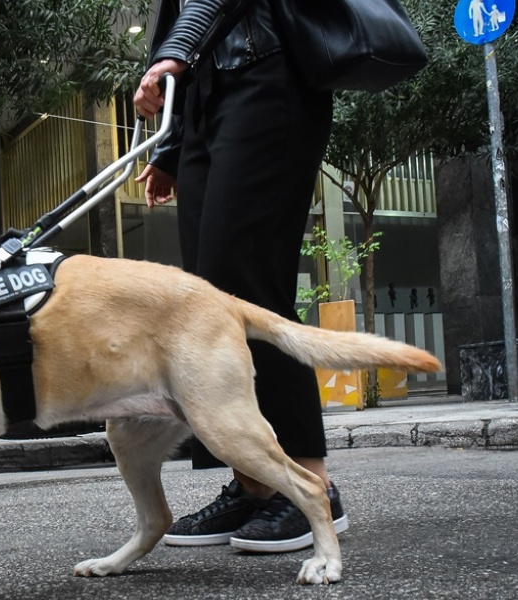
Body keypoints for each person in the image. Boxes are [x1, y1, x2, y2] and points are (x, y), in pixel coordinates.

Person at [133, 0, 347, 552]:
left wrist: (173, 54)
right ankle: (255, 483)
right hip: (208, 98)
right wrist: (175, 147)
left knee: (252, 288)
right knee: (209, 306)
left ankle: (311, 485)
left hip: (266, 75)